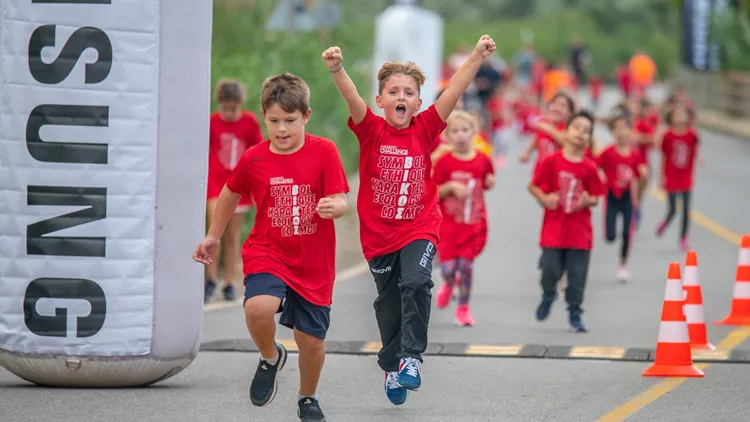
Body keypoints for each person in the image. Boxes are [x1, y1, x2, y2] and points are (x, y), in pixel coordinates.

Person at [323, 34, 496, 405]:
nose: (401, 97)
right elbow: (352, 97)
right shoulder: (370, 130)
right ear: (381, 100)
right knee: (388, 305)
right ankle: (392, 363)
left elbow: (454, 90)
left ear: (419, 102)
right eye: (393, 91)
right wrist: (337, 69)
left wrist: (477, 56)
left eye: (408, 93)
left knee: (416, 283)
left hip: (420, 226)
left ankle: (412, 358)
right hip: (378, 237)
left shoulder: (426, 127)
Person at [193, 73, 350, 422]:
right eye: (274, 121)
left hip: (313, 262)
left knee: (311, 342)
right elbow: (230, 192)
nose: (281, 130)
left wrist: (334, 207)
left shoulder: (324, 151)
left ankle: (307, 397)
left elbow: (340, 199)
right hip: (269, 250)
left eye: (290, 121)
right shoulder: (254, 158)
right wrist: (213, 235)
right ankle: (270, 356)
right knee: (258, 308)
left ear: (306, 116)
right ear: (263, 116)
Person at [527, 110, 606, 333]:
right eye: (577, 128)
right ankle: (549, 293)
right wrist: (545, 198)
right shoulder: (552, 161)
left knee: (576, 277)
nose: (581, 133)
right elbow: (532, 185)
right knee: (550, 270)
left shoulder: (589, 167)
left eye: (587, 131)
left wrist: (587, 200)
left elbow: (596, 196)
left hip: (579, 233)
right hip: (553, 230)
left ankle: (575, 312)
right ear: (566, 131)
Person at [432, 111, 495, 326]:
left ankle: (463, 309)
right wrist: (449, 187)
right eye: (455, 131)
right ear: (447, 137)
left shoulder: (482, 160)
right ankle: (449, 284)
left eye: (465, 130)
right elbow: (432, 192)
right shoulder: (444, 162)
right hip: (448, 225)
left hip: (474, 223)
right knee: (449, 269)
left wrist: (490, 183)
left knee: (466, 267)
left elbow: (486, 181)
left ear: (474, 133)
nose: (460, 135)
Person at [205, 79, 265, 303]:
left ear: (241, 104)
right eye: (225, 108)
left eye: (234, 108)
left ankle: (230, 281)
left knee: (232, 237)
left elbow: (258, 150)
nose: (230, 113)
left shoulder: (249, 122)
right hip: (216, 183)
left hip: (240, 184)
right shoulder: (212, 123)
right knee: (214, 233)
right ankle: (210, 278)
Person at [596, 111, 649, 282]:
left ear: (631, 132)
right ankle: (611, 235)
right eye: (618, 129)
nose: (623, 132)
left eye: (626, 129)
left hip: (627, 197)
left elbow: (642, 172)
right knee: (610, 236)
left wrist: (643, 175)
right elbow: (594, 168)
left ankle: (623, 265)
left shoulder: (635, 154)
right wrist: (600, 178)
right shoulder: (608, 152)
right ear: (613, 132)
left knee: (627, 232)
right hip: (611, 196)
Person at [656, 104, 702, 250]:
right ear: (671, 118)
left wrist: (699, 157)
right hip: (671, 175)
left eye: (683, 114)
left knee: (687, 209)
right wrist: (661, 176)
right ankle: (665, 221)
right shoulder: (668, 135)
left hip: (686, 175)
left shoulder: (692, 134)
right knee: (673, 208)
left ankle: (683, 237)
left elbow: (696, 149)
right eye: (677, 115)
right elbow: (663, 156)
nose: (680, 117)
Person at [519, 92, 575, 170]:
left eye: (563, 106)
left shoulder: (568, 128)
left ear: (570, 114)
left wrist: (548, 128)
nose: (557, 108)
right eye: (554, 104)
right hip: (541, 170)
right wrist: (527, 152)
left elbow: (565, 141)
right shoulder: (543, 123)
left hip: (559, 171)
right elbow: (536, 138)